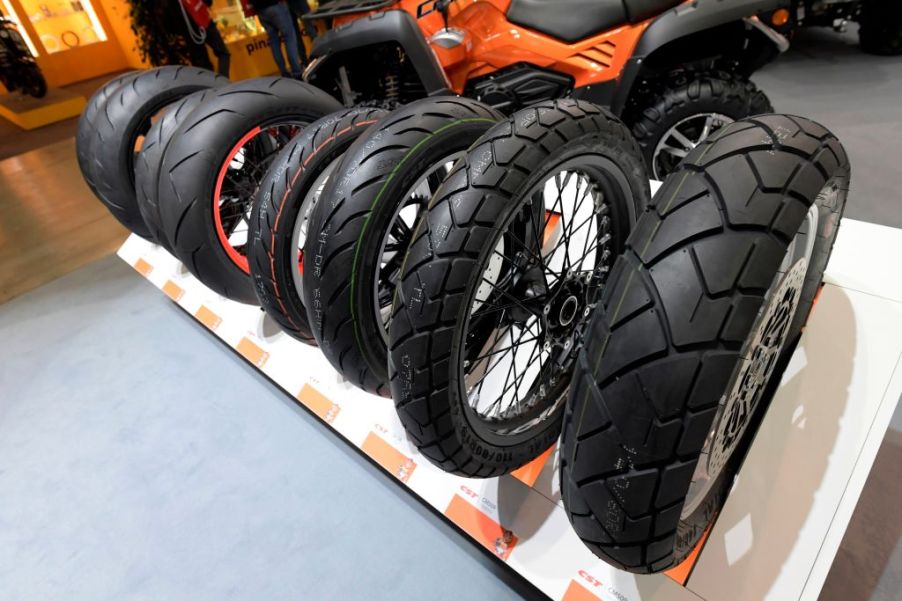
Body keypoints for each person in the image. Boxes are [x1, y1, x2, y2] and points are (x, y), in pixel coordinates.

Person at [249, 0, 304, 78]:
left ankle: (284, 72)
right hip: (276, 5)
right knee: (289, 37)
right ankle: (296, 71)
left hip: (260, 10)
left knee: (274, 42)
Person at [179, 0, 231, 78]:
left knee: (202, 62)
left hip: (190, 29)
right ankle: (221, 82)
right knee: (223, 53)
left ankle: (212, 85)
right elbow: (209, 2)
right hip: (203, 24)